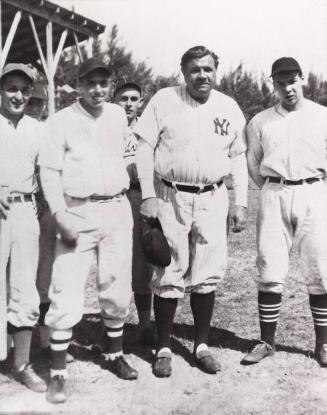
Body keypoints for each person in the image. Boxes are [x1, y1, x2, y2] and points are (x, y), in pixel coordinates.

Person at [134, 46, 248, 377]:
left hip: (213, 196)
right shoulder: (164, 100)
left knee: (207, 272)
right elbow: (144, 147)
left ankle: (201, 345)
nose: (202, 75)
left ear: (217, 71)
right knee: (169, 271)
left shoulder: (228, 106)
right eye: (195, 69)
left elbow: (238, 157)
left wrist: (240, 201)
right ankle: (164, 347)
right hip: (172, 195)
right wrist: (147, 195)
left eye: (208, 69)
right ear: (183, 72)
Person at [39, 57, 138, 404]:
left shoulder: (117, 114)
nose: (98, 89)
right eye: (90, 83)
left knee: (116, 283)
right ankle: (57, 373)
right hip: (77, 210)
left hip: (116, 207)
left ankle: (114, 354)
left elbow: (128, 156)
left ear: (111, 85)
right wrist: (59, 212)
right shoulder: (61, 120)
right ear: (78, 85)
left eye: (104, 83)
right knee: (65, 287)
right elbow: (49, 171)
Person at [243, 57, 327, 366]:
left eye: (292, 80)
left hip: (314, 192)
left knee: (321, 269)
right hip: (275, 192)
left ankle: (323, 343)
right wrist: (271, 187)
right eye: (280, 82)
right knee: (269, 268)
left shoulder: (322, 116)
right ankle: (267, 342)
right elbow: (253, 163)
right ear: (273, 84)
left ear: (302, 79)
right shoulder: (261, 121)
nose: (287, 87)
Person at [0, 63, 47, 392]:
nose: (18, 95)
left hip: (25, 211)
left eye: (24, 90)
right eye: (11, 88)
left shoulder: (37, 128)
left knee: (24, 288)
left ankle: (21, 364)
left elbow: (50, 172)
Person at [113, 81, 156, 346]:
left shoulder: (146, 129)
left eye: (134, 99)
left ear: (141, 102)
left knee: (142, 264)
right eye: (123, 99)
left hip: (139, 195)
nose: (129, 103)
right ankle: (114, 323)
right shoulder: (105, 127)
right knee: (116, 262)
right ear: (114, 100)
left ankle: (144, 324)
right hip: (114, 197)